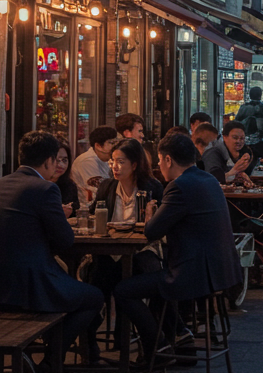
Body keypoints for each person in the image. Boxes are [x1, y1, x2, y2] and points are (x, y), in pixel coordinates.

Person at [0, 132, 103, 366]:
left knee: (72, 294)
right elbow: (64, 240)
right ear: (48, 161)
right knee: (93, 297)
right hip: (29, 284)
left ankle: (43, 360)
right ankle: (51, 362)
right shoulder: (45, 189)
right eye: (55, 161)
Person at [113, 132, 242, 363]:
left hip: (193, 275)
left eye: (160, 160)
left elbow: (152, 231)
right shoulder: (207, 179)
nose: (159, 166)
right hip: (221, 270)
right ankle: (178, 341)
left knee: (124, 291)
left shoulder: (179, 187)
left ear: (169, 160)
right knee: (153, 281)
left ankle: (159, 348)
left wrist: (150, 214)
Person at [85, 139, 167, 349]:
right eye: (112, 161)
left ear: (135, 164)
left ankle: (145, 342)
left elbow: (160, 227)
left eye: (120, 161)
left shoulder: (152, 187)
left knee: (132, 277)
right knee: (96, 280)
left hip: (142, 251)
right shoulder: (107, 186)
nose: (114, 167)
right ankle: (89, 341)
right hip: (111, 251)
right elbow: (95, 215)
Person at [71, 126, 118, 205]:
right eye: (111, 143)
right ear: (98, 146)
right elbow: (102, 191)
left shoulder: (106, 160)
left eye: (116, 142)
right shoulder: (87, 161)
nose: (115, 146)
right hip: (87, 210)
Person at [202, 121, 254, 187]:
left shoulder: (243, 152)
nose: (239, 141)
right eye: (235, 138)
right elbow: (213, 179)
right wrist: (234, 171)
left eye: (242, 138)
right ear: (224, 137)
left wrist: (240, 177)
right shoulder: (212, 153)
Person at [235, 87, 263, 158]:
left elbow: (236, 123)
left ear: (250, 95)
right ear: (260, 95)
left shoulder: (243, 108)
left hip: (245, 142)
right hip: (261, 143)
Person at [51, 142, 81, 216]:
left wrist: (69, 211)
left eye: (64, 160)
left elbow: (76, 211)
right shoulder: (35, 185)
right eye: (56, 160)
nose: (61, 165)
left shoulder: (69, 185)